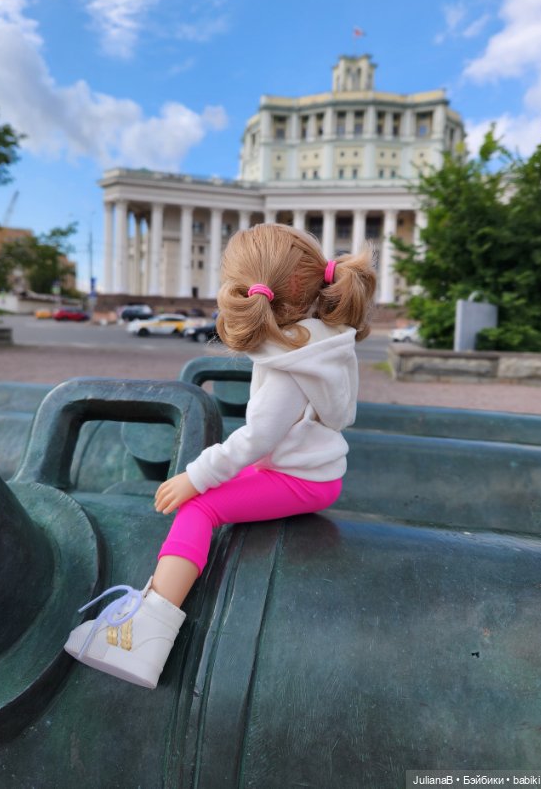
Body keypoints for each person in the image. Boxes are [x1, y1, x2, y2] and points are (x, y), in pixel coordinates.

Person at [64, 224, 377, 688]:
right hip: (314, 471)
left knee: (200, 507)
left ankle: (144, 634)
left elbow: (257, 438)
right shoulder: (325, 342)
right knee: (221, 489)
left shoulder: (288, 363)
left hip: (301, 479)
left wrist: (197, 475)